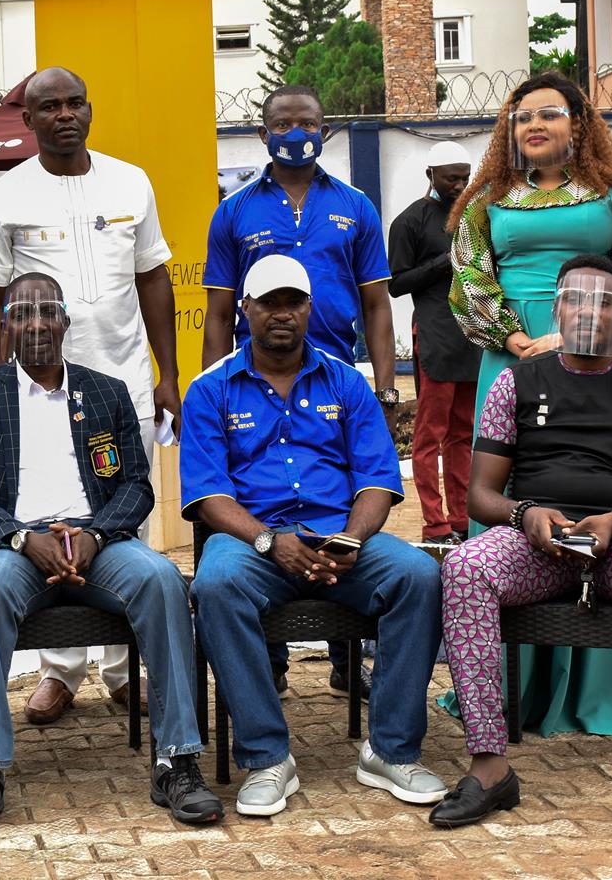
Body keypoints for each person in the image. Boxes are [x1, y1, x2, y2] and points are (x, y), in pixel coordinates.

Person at [429, 256, 612, 849]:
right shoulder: (516, 382)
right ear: (556, 310)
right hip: (539, 546)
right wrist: (525, 515)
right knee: (466, 566)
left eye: (604, 302)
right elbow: (481, 495)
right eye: (576, 300)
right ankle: (490, 768)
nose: (589, 312)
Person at [0, 272, 223, 835]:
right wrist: (24, 538)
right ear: (5, 327)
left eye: (48, 311)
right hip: (15, 547)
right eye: (23, 313)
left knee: (162, 579)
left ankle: (177, 762)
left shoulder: (105, 392)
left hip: (99, 543)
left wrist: (96, 535)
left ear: (66, 321)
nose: (37, 324)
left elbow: (136, 485)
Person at [184, 254, 446, 818]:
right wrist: (267, 541)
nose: (282, 314)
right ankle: (267, 758)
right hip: (254, 544)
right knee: (216, 584)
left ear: (310, 308)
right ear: (245, 309)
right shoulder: (210, 389)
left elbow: (377, 479)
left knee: (419, 574)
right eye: (269, 303)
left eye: (293, 302)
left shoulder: (346, 382)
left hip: (339, 539)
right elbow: (208, 496)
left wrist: (352, 539)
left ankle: (391, 751)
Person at [447, 71, 612, 737]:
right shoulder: (486, 198)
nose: (534, 125)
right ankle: (506, 684)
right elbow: (467, 276)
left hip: (599, 366)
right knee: (511, 493)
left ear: (580, 123)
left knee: (595, 480)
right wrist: (517, 339)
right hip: (509, 362)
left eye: (550, 114)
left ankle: (599, 684)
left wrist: (579, 338)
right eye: (522, 117)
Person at [0, 67, 178, 723]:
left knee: (123, 526)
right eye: (49, 106)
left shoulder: (131, 182)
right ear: (28, 120)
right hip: (43, 392)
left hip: (123, 384)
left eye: (75, 103)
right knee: (47, 520)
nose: (64, 114)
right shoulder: (5, 197)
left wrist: (167, 373)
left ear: (90, 110)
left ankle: (122, 670)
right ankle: (59, 671)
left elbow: (153, 278)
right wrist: (1, 387)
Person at [202, 84, 399, 696]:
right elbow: (218, 312)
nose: (296, 133)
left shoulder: (356, 206)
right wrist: (212, 388)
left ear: (325, 129)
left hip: (337, 379)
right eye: (283, 124)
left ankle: (347, 660)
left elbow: (377, 303)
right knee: (259, 501)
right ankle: (269, 663)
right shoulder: (233, 211)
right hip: (254, 377)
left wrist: (385, 389)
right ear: (262, 135)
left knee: (334, 502)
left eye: (308, 123)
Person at [389, 140, 480, 544]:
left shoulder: (475, 217)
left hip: (472, 335)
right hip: (434, 334)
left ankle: (461, 518)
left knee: (464, 431)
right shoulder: (410, 221)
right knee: (430, 434)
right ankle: (434, 523)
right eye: (451, 178)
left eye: (465, 177)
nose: (459, 185)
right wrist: (445, 262)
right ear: (430, 175)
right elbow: (397, 283)